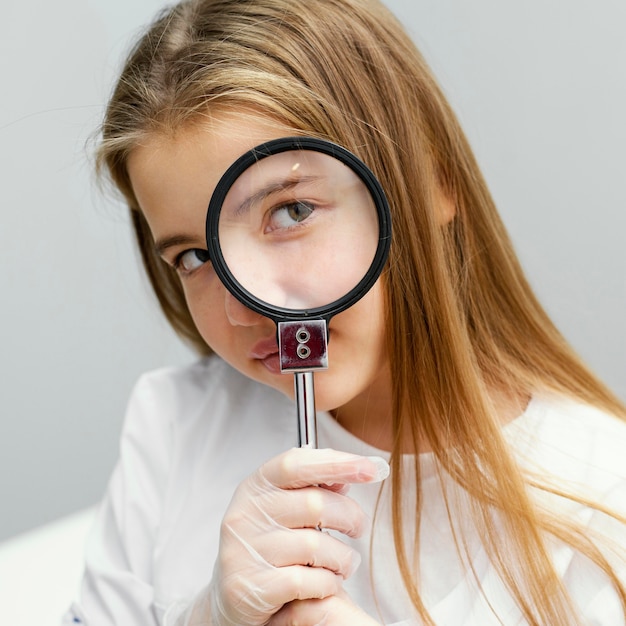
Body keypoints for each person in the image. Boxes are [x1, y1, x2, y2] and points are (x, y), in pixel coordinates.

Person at [64, 0, 626, 624]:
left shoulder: (603, 501)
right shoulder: (174, 425)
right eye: (195, 255)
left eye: (291, 211)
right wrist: (210, 616)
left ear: (435, 179)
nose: (250, 303)